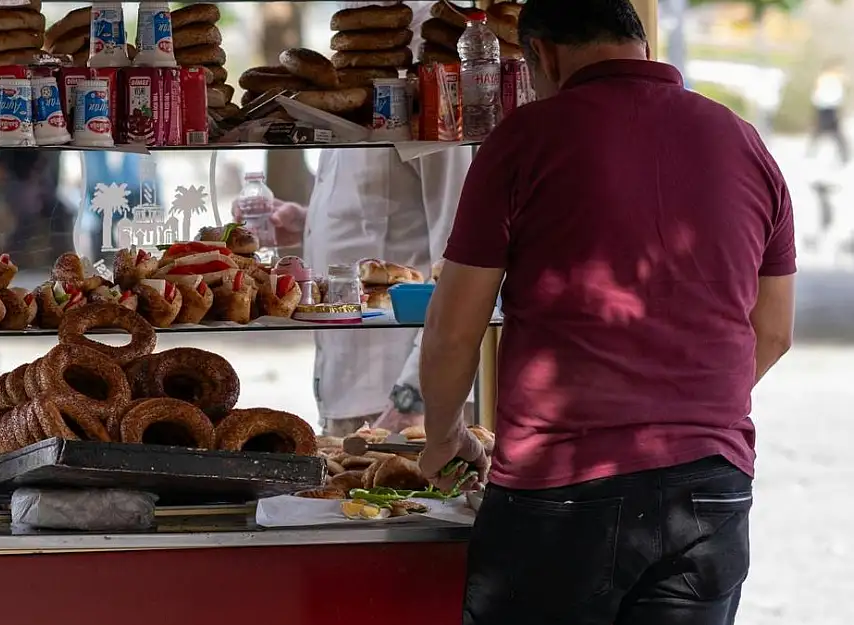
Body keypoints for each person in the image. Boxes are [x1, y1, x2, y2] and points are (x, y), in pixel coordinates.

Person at [417, 1, 796, 624]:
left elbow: (456, 328)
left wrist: (443, 438)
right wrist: (680, 400)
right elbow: (775, 332)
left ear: (542, 54)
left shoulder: (526, 137)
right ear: (638, 42)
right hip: (711, 489)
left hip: (562, 490)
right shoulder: (742, 140)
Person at [237, 147, 474, 437]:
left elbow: (462, 261)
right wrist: (306, 222)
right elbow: (376, 218)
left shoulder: (427, 115)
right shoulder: (342, 123)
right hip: (342, 392)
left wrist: (415, 395)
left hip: (402, 399)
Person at [807, 58, 848, 166]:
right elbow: (820, 94)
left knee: (831, 132)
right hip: (826, 107)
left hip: (828, 107)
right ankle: (843, 155)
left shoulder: (831, 78)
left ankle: (844, 155)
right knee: (828, 131)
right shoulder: (828, 78)